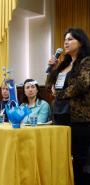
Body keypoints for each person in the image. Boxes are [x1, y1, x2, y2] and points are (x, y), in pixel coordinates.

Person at [46, 28, 90, 185]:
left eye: (70, 39)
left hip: (78, 117)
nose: (66, 42)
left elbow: (82, 84)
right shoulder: (64, 63)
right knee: (61, 156)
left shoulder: (87, 61)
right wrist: (52, 68)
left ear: (81, 42)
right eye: (65, 39)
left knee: (79, 159)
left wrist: (60, 94)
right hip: (59, 114)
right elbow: (49, 85)